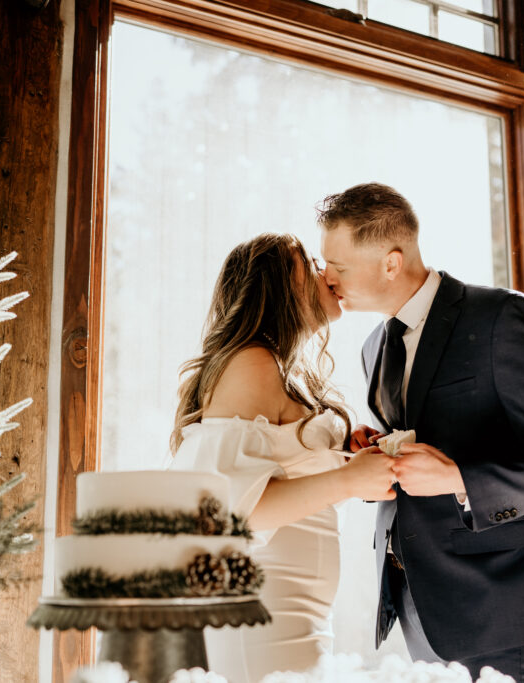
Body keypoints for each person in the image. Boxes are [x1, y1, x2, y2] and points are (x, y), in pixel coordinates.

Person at [316, 183, 524, 683]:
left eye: (337, 266)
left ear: (391, 262)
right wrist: (377, 449)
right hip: (413, 601)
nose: (326, 277)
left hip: (495, 601)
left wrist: (458, 478)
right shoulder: (371, 347)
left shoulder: (500, 317)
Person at [169, 233, 397, 683]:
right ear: (276, 283)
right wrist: (349, 481)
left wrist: (342, 451)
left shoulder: (278, 367)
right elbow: (235, 511)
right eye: (310, 262)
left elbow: (280, 466)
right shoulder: (252, 363)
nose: (327, 273)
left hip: (293, 608)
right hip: (262, 612)